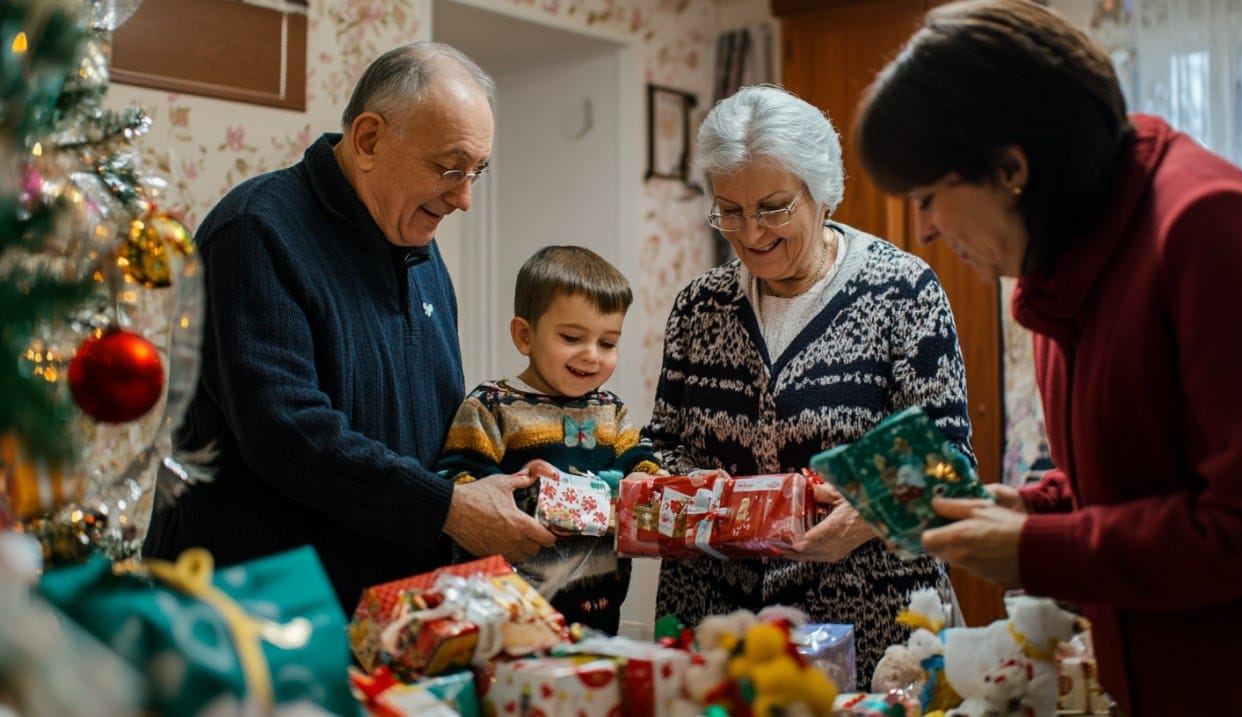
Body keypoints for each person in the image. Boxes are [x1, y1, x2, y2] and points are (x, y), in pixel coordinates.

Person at [856, 1, 1242, 714]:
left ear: (1010, 166)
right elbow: (1137, 473)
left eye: (928, 196)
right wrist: (1029, 505)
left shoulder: (1206, 228)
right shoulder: (1067, 256)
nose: (923, 229)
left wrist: (1035, 548)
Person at [143, 42, 556, 614]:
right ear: (368, 140)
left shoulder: (419, 247)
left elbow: (429, 426)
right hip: (256, 617)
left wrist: (492, 479)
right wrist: (448, 510)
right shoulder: (254, 232)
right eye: (448, 168)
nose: (464, 198)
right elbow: (288, 432)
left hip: (388, 613)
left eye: (476, 173)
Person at [643, 84, 975, 690]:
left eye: (772, 207)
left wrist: (865, 516)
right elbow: (659, 444)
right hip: (721, 632)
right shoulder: (699, 307)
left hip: (871, 630)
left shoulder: (901, 292)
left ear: (821, 192)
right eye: (730, 211)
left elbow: (947, 463)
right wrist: (683, 485)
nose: (750, 233)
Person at [436, 245, 661, 634]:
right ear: (525, 335)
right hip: (510, 614)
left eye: (608, 343)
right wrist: (532, 495)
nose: (592, 356)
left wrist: (646, 479)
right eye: (572, 337)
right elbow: (460, 486)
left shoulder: (611, 410)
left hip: (600, 606)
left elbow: (639, 460)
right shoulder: (491, 406)